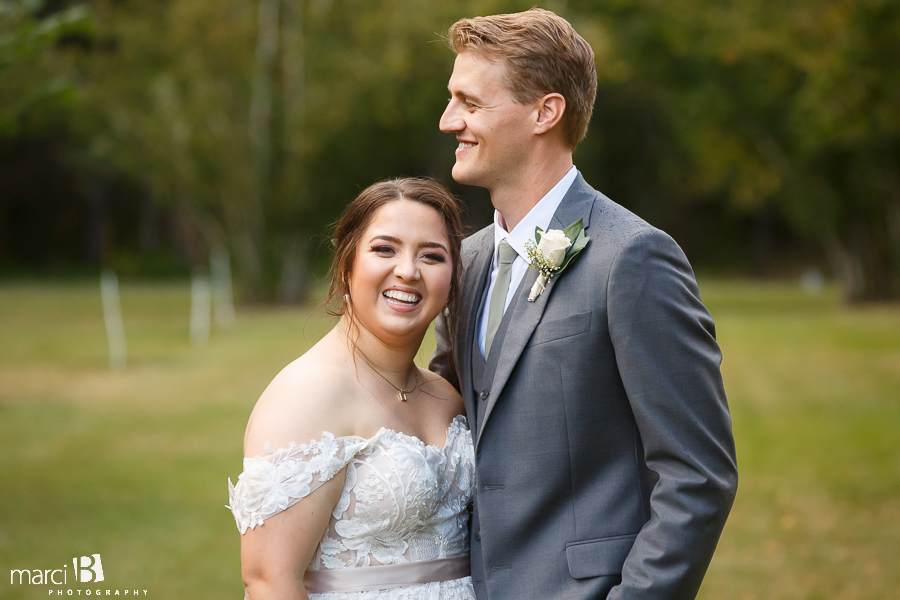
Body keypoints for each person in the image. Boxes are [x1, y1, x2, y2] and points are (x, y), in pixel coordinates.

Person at [430, 9, 738, 600]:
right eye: (451, 100)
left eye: (469, 102)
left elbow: (697, 475)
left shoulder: (633, 258)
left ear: (545, 112)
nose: (449, 122)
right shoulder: (463, 265)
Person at [228, 178, 477, 600]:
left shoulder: (448, 397)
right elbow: (270, 581)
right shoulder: (308, 394)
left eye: (432, 256)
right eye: (384, 249)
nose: (408, 271)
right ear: (347, 265)